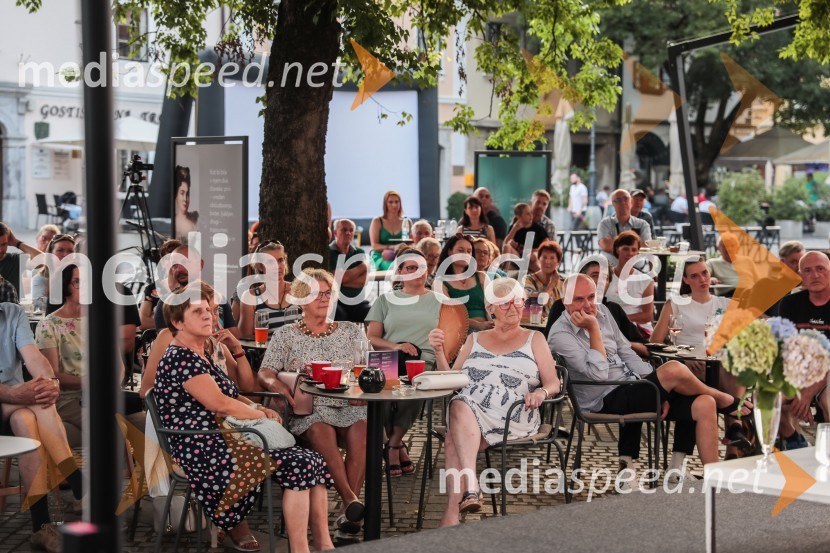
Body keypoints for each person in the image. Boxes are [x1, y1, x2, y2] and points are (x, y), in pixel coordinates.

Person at [156, 284, 335, 553]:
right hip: (204, 447)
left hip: (225, 438)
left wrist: (256, 408)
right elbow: (218, 403)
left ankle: (323, 544)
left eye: (209, 310)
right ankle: (300, 549)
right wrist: (258, 413)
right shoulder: (180, 357)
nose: (209, 316)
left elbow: (230, 394)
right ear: (177, 322)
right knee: (302, 464)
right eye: (198, 312)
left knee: (311, 461)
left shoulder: (201, 352)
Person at [549, 274, 750, 484]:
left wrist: (657, 387)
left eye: (592, 297)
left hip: (631, 386)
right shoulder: (560, 335)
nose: (589, 305)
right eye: (580, 299)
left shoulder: (603, 312)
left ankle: (698, 475)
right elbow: (599, 375)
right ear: (566, 301)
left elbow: (625, 351)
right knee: (674, 368)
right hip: (602, 397)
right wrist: (593, 330)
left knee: (704, 402)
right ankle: (723, 399)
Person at [429, 277, 560, 524]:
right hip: (469, 411)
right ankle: (465, 497)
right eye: (504, 303)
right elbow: (451, 380)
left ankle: (460, 502)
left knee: (454, 430)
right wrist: (438, 351)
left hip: (514, 412)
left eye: (518, 301)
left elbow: (553, 382)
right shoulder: (474, 339)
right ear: (490, 309)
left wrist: (541, 393)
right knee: (459, 406)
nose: (513, 307)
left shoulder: (535, 338)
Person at [258, 269, 368, 538]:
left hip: (350, 404)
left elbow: (369, 367)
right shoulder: (286, 335)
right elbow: (265, 372)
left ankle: (347, 511)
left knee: (363, 432)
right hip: (310, 407)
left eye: (328, 293)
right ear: (299, 300)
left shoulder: (351, 330)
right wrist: (279, 386)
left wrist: (363, 385)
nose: (325, 298)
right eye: (317, 294)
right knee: (320, 430)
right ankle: (350, 502)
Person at [1, 302, 83, 553]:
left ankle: (41, 527)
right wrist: (14, 394)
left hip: (14, 403)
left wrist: (50, 383)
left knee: (27, 417)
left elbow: (34, 357)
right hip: (9, 397)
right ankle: (79, 483)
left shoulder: (11, 312)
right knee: (33, 405)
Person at [366, 248, 443, 476]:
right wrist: (396, 346)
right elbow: (372, 337)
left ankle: (392, 445)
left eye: (421, 267)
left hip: (425, 361)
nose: (417, 272)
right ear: (399, 272)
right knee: (383, 395)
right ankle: (397, 444)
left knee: (415, 386)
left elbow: (453, 333)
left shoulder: (440, 300)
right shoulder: (385, 300)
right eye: (411, 267)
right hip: (388, 359)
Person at [34, 265, 125, 448]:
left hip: (102, 393)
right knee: (109, 427)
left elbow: (119, 366)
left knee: (143, 420)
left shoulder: (101, 320)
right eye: (78, 282)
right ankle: (114, 472)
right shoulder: (49, 325)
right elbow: (54, 375)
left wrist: (109, 387)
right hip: (69, 398)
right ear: (65, 287)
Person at [545, 260, 649, 358]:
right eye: (595, 275)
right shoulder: (562, 306)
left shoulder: (614, 309)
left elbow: (644, 348)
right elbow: (549, 347)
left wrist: (618, 343)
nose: (600, 281)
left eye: (605, 277)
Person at [779, 251, 830, 446]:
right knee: (767, 398)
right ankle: (796, 445)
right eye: (807, 271)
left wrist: (807, 394)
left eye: (820, 269)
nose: (815, 275)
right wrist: (799, 391)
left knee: (828, 401)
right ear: (801, 277)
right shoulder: (791, 303)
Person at [152, 244, 240, 338]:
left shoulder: (217, 297)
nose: (179, 269)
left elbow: (234, 336)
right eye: (174, 265)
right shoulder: (167, 303)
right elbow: (166, 343)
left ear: (200, 264)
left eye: (185, 263)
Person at [238, 241, 303, 338]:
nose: (277, 266)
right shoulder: (251, 297)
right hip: (265, 352)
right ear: (260, 266)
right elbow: (244, 338)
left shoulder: (299, 291)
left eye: (280, 260)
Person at [435, 235, 493, 332]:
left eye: (469, 251)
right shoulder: (439, 282)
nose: (465, 254)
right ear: (450, 251)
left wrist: (491, 326)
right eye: (461, 250)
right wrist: (477, 325)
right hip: (457, 332)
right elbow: (449, 315)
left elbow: (491, 307)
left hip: (486, 331)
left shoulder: (481, 277)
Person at [604, 231, 655, 333]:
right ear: (617, 250)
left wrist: (619, 319)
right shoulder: (605, 277)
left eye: (634, 250)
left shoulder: (646, 281)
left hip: (637, 331)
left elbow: (647, 316)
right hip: (609, 329)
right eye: (625, 249)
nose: (630, 253)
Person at [329, 219, 371, 323]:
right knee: (339, 315)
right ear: (335, 233)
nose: (348, 233)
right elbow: (336, 279)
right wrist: (363, 267)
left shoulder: (359, 252)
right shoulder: (328, 252)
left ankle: (371, 339)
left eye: (351, 230)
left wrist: (342, 280)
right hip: (336, 302)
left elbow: (364, 281)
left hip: (357, 301)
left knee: (374, 314)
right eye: (344, 230)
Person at [139, 238, 182, 330]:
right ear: (162, 262)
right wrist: (179, 323)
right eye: (168, 258)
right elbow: (142, 322)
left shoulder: (190, 286)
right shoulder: (152, 289)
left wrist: (154, 319)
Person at [597, 189, 652, 256]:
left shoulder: (643, 224)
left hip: (635, 264)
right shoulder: (605, 224)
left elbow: (646, 247)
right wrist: (636, 241)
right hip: (611, 265)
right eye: (618, 200)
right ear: (613, 203)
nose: (623, 202)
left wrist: (614, 240)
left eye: (626, 199)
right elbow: (606, 246)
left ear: (631, 201)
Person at [31, 234, 76, 311]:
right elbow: (40, 308)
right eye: (60, 250)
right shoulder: (40, 279)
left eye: (70, 251)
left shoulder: (79, 277)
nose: (66, 254)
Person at [522, 240, 563, 319]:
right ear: (538, 258)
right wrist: (551, 285)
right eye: (544, 257)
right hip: (535, 325)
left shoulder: (564, 282)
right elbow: (538, 303)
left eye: (552, 258)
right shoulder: (528, 280)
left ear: (558, 262)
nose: (547, 261)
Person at [0, 222, 43, 297]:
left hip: (14, 307)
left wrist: (16, 243)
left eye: (4, 244)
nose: (0, 250)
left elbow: (43, 261)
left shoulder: (15, 260)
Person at [369, 190, 406, 271]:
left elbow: (411, 242)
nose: (394, 205)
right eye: (390, 202)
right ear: (385, 204)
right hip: (381, 256)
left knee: (408, 266)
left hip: (400, 255)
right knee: (394, 267)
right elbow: (374, 246)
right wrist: (392, 247)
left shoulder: (406, 222)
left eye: (397, 202)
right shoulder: (377, 221)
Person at [173, 165, 199, 239]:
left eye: (187, 194)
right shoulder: (170, 222)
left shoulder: (196, 220)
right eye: (182, 193)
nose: (185, 199)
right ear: (176, 195)